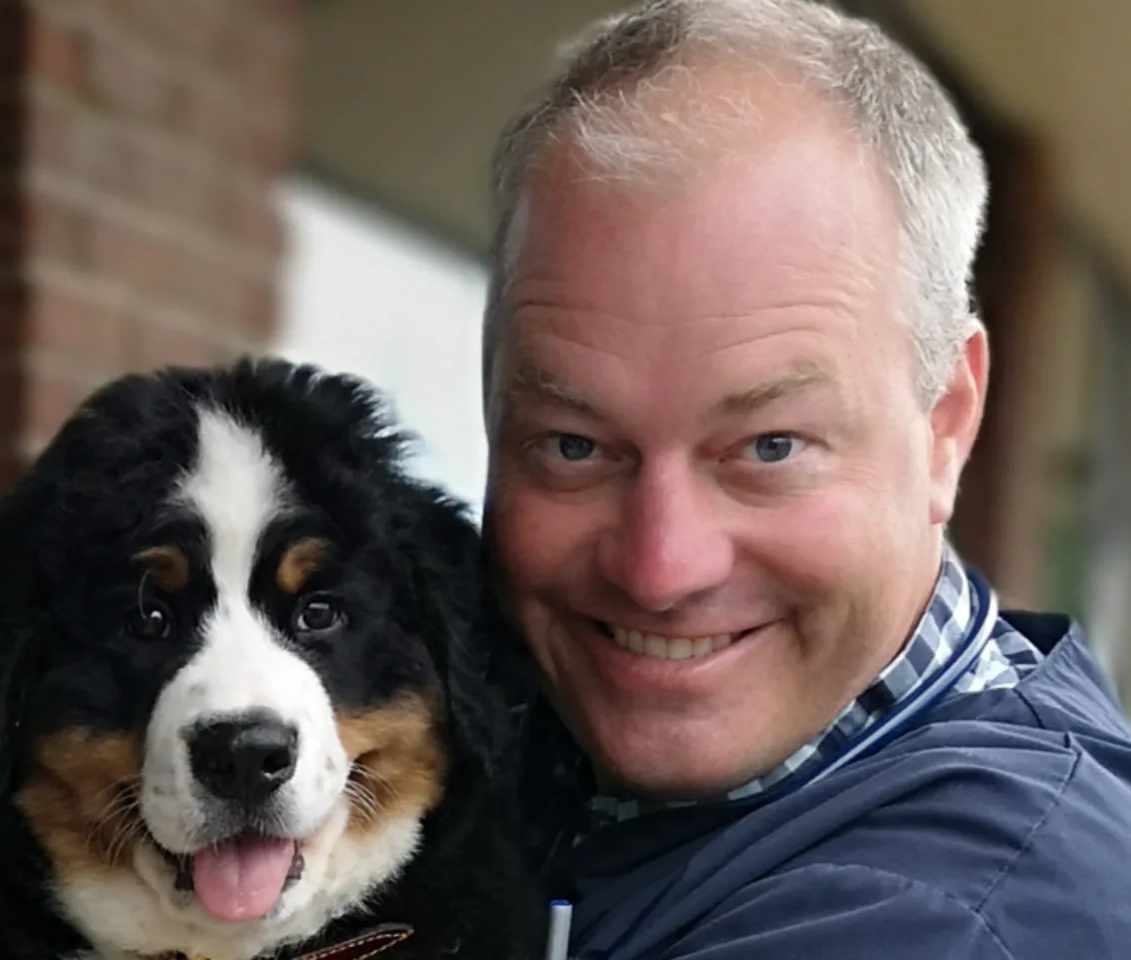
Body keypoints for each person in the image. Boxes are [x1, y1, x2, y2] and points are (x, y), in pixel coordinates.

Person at [478, 0, 1131, 956]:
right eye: (575, 444)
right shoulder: (497, 718)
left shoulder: (947, 921)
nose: (659, 569)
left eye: (769, 447)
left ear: (946, 419)